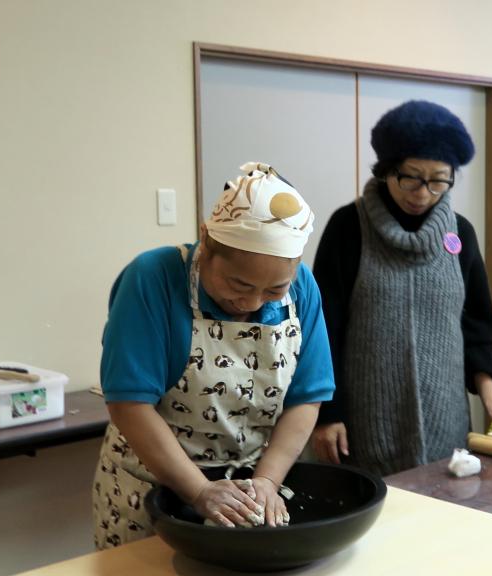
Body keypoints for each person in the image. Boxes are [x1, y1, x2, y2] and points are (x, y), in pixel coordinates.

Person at [95, 163, 334, 547]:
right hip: (150, 492)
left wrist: (267, 481)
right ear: (206, 242)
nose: (252, 302)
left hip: (250, 492)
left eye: (274, 290)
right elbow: (130, 403)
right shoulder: (153, 278)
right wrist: (199, 491)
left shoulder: (303, 288)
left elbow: (307, 397)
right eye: (238, 284)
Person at [310, 100, 492, 476]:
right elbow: (323, 330)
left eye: (438, 180)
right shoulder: (347, 228)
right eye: (412, 177)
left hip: (446, 418)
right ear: (387, 170)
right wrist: (327, 415)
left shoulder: (461, 234)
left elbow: (477, 328)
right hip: (363, 422)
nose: (422, 192)